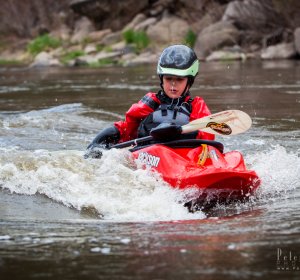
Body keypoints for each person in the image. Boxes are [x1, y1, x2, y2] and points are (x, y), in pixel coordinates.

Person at [87, 44, 214, 153]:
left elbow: (207, 137)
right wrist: (108, 136)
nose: (173, 84)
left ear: (189, 81)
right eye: (168, 79)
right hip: (152, 154)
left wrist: (182, 132)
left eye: (179, 80)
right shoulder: (151, 103)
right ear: (162, 79)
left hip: (184, 155)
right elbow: (127, 129)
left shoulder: (197, 105)